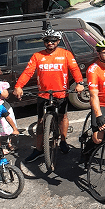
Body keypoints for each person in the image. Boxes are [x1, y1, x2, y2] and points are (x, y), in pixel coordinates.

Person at [15, 29, 83, 163]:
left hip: (61, 92)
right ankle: (39, 149)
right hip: (43, 94)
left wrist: (80, 83)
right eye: (47, 40)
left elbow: (74, 69)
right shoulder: (37, 56)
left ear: (58, 41)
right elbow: (28, 72)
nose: (50, 43)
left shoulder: (65, 54)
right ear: (44, 42)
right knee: (41, 122)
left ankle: (63, 140)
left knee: (63, 117)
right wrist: (18, 86)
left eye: (53, 40)